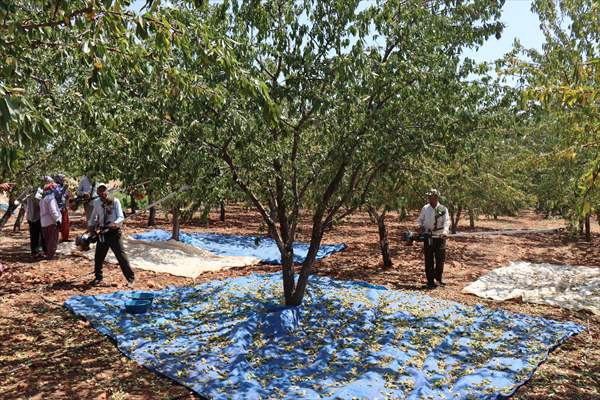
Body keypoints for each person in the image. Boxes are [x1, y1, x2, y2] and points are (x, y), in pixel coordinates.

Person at [87, 183, 135, 287]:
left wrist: (116, 223)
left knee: (121, 256)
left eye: (104, 190)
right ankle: (98, 277)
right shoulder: (96, 203)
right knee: (98, 257)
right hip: (103, 232)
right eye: (100, 190)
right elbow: (94, 216)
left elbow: (121, 216)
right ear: (98, 193)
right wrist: (91, 226)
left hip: (114, 233)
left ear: (107, 191)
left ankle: (130, 279)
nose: (102, 192)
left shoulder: (115, 201)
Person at [416, 189, 450, 289]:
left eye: (431, 196)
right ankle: (430, 281)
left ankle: (438, 278)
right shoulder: (425, 208)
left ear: (436, 197)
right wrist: (419, 226)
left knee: (440, 260)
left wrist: (445, 232)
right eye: (428, 197)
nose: (429, 198)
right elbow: (420, 220)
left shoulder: (443, 209)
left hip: (440, 237)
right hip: (428, 237)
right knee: (429, 259)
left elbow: (447, 222)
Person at [39, 183, 62, 260]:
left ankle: (49, 255)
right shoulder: (50, 198)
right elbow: (53, 211)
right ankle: (50, 257)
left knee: (48, 240)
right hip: (51, 222)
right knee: (52, 241)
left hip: (44, 223)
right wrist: (58, 220)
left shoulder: (42, 198)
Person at [26, 187, 46, 257]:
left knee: (34, 236)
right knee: (41, 235)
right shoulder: (40, 191)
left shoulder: (28, 190)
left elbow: (20, 199)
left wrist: (27, 208)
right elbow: (39, 203)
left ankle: (35, 252)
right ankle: (41, 251)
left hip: (31, 217)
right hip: (38, 217)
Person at [53, 174, 71, 242]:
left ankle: (65, 238)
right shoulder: (55, 186)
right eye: (62, 179)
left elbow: (65, 196)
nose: (63, 180)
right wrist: (64, 189)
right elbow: (58, 195)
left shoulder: (63, 186)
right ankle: (55, 238)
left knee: (65, 224)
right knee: (58, 224)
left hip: (64, 207)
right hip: (58, 208)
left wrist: (67, 196)